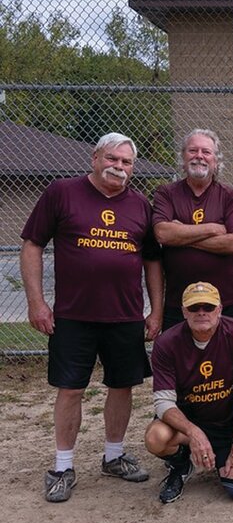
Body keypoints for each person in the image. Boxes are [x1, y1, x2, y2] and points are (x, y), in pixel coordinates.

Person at [21, 132, 161, 503]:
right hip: (73, 315)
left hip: (124, 314)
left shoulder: (140, 205)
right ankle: (63, 466)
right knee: (71, 389)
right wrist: (36, 302)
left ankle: (113, 456)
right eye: (112, 159)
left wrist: (156, 310)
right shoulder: (62, 192)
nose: (118, 167)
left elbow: (152, 260)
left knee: (122, 385)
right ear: (95, 158)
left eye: (126, 162)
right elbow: (33, 244)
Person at [144, 282, 233, 503]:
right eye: (194, 308)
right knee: (155, 438)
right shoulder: (166, 342)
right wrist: (195, 433)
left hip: (225, 425)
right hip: (186, 425)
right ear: (184, 312)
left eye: (208, 307)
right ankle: (180, 466)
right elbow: (163, 402)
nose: (201, 313)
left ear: (220, 309)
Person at [153, 129, 233, 330]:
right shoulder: (167, 193)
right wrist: (213, 228)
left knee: (229, 360)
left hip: (227, 302)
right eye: (192, 150)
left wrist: (182, 234)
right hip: (179, 303)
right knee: (180, 360)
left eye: (206, 152)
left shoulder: (230, 196)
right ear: (183, 156)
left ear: (216, 160)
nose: (199, 156)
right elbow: (163, 233)